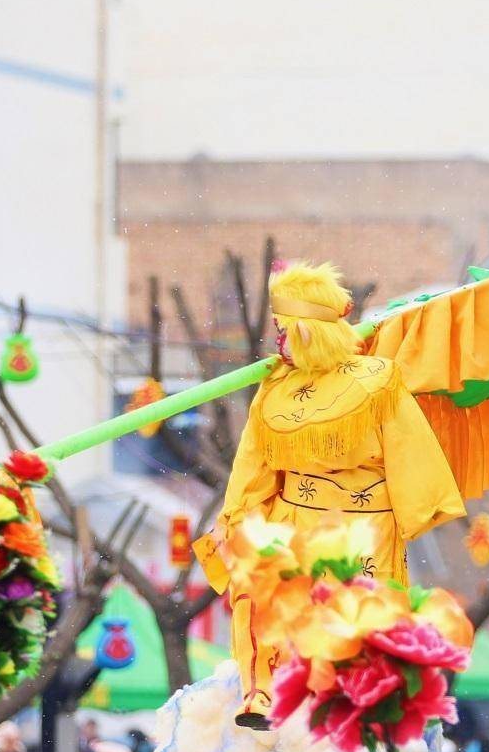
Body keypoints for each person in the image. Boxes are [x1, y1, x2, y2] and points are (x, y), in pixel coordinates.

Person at [197, 263, 464, 727]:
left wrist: (418, 510)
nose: (278, 342)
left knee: (356, 617)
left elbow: (409, 450)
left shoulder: (378, 379)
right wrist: (237, 516)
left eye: (284, 331)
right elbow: (254, 461)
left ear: (305, 333)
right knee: (260, 594)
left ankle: (355, 708)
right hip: (292, 518)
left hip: (364, 525)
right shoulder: (274, 386)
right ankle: (263, 691)